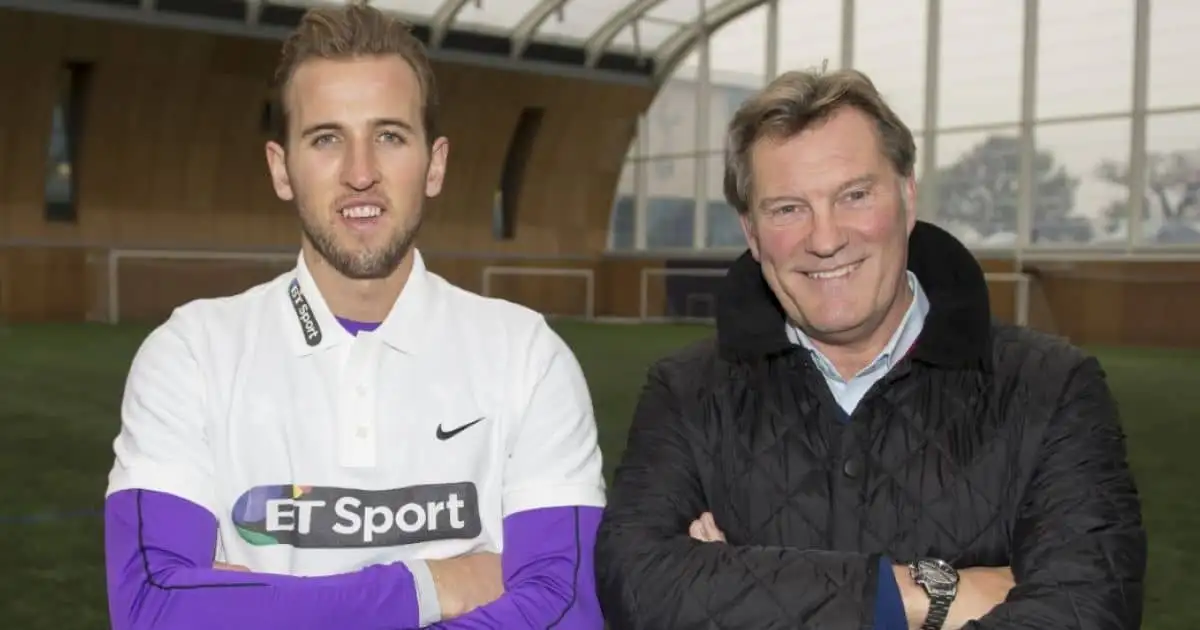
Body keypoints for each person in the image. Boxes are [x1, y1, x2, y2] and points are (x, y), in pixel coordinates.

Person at [102, 4, 606, 629]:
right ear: (281, 169)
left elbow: (565, 608)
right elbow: (152, 608)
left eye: (390, 136)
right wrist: (430, 587)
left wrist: (253, 604)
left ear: (436, 164)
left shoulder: (529, 356)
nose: (361, 173)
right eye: (326, 138)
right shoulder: (190, 354)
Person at [594, 68, 1147, 630]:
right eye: (788, 208)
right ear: (752, 233)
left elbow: (1087, 609)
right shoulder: (686, 392)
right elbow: (635, 588)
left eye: (854, 195)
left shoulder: (1051, 388)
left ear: (907, 197)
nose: (827, 238)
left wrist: (728, 582)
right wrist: (921, 596)